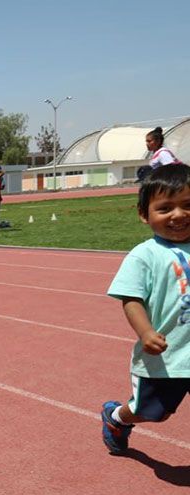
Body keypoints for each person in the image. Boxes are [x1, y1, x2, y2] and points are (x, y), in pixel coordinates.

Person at [101, 164, 190, 455]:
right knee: (155, 412)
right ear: (144, 214)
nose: (179, 215)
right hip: (168, 357)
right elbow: (131, 299)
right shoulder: (145, 255)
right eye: (165, 208)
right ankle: (116, 418)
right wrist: (146, 331)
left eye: (188, 205)